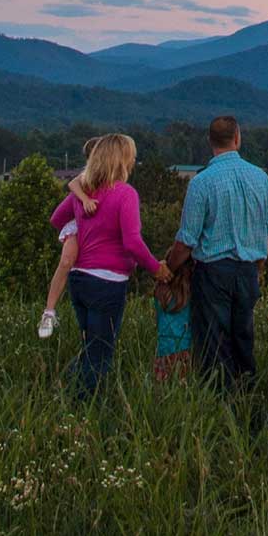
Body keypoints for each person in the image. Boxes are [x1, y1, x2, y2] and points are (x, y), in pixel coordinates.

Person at [47, 134, 169, 396]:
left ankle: (63, 392)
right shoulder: (125, 194)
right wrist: (155, 268)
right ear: (121, 160)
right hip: (107, 282)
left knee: (90, 345)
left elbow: (57, 219)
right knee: (100, 353)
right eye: (131, 156)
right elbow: (133, 243)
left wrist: (76, 234)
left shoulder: (84, 193)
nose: (134, 161)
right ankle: (82, 407)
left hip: (79, 279)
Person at [170, 115, 268, 390]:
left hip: (213, 272)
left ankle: (219, 400)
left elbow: (187, 239)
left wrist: (169, 267)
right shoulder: (261, 178)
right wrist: (260, 264)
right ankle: (247, 395)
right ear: (237, 138)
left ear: (210, 142)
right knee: (243, 336)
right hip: (248, 269)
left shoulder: (201, 183)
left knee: (213, 341)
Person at [36, 168, 113, 339]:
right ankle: (49, 312)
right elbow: (73, 183)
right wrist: (85, 200)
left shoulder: (116, 177)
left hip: (98, 227)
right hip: (79, 223)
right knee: (66, 262)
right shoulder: (92, 173)